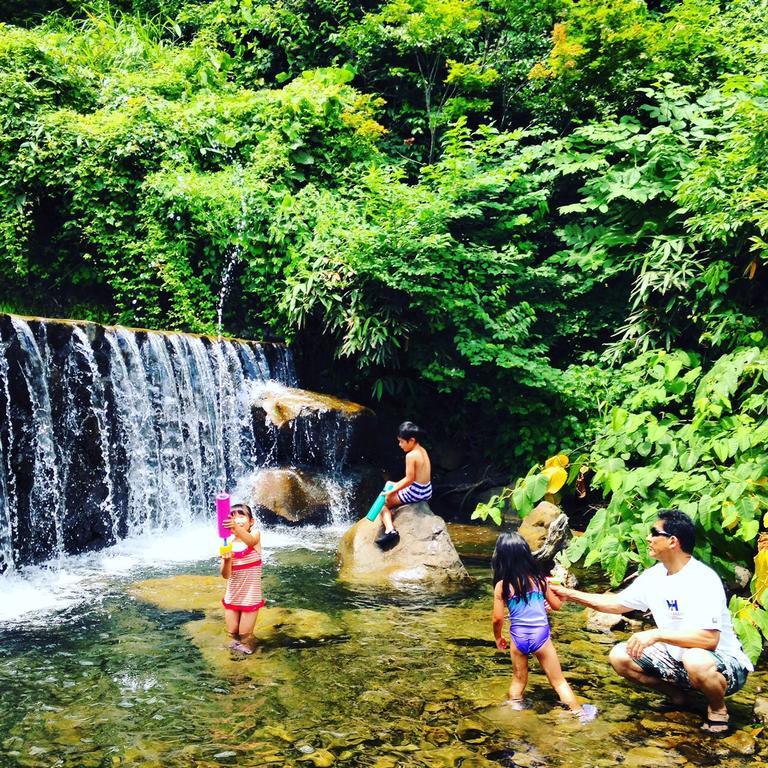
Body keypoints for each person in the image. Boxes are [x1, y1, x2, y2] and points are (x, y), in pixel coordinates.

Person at [549, 509, 752, 733]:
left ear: (673, 541)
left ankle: (717, 709)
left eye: (654, 533)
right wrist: (569, 594)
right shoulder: (654, 576)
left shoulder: (703, 579)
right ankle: (679, 698)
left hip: (722, 663)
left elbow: (709, 639)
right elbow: (616, 604)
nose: (648, 538)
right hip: (678, 659)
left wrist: (655, 634)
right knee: (620, 655)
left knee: (695, 658)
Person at [492, 532, 598, 722]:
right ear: (526, 554)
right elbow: (557, 606)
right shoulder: (539, 580)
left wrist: (498, 637)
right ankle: (580, 714)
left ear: (501, 558)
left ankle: (514, 712)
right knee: (558, 681)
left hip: (519, 637)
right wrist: (548, 601)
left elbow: (497, 619)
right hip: (541, 636)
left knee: (518, 680)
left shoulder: (502, 586)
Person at [376, 421, 432, 549]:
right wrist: (393, 486)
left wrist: (391, 492)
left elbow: (409, 479)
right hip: (427, 489)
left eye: (402, 441)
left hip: (417, 491)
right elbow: (414, 478)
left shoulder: (411, 456)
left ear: (411, 440)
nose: (400, 445)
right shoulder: (422, 450)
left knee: (383, 504)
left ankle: (390, 531)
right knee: (389, 483)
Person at [220, 503, 264, 655]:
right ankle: (234, 661)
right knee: (232, 634)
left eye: (241, 515)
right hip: (232, 596)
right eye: (233, 517)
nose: (237, 519)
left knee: (245, 635)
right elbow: (226, 575)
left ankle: (251, 657)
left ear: (251, 521)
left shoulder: (255, 536)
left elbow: (250, 541)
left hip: (250, 597)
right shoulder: (228, 545)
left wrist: (236, 528)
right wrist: (226, 560)